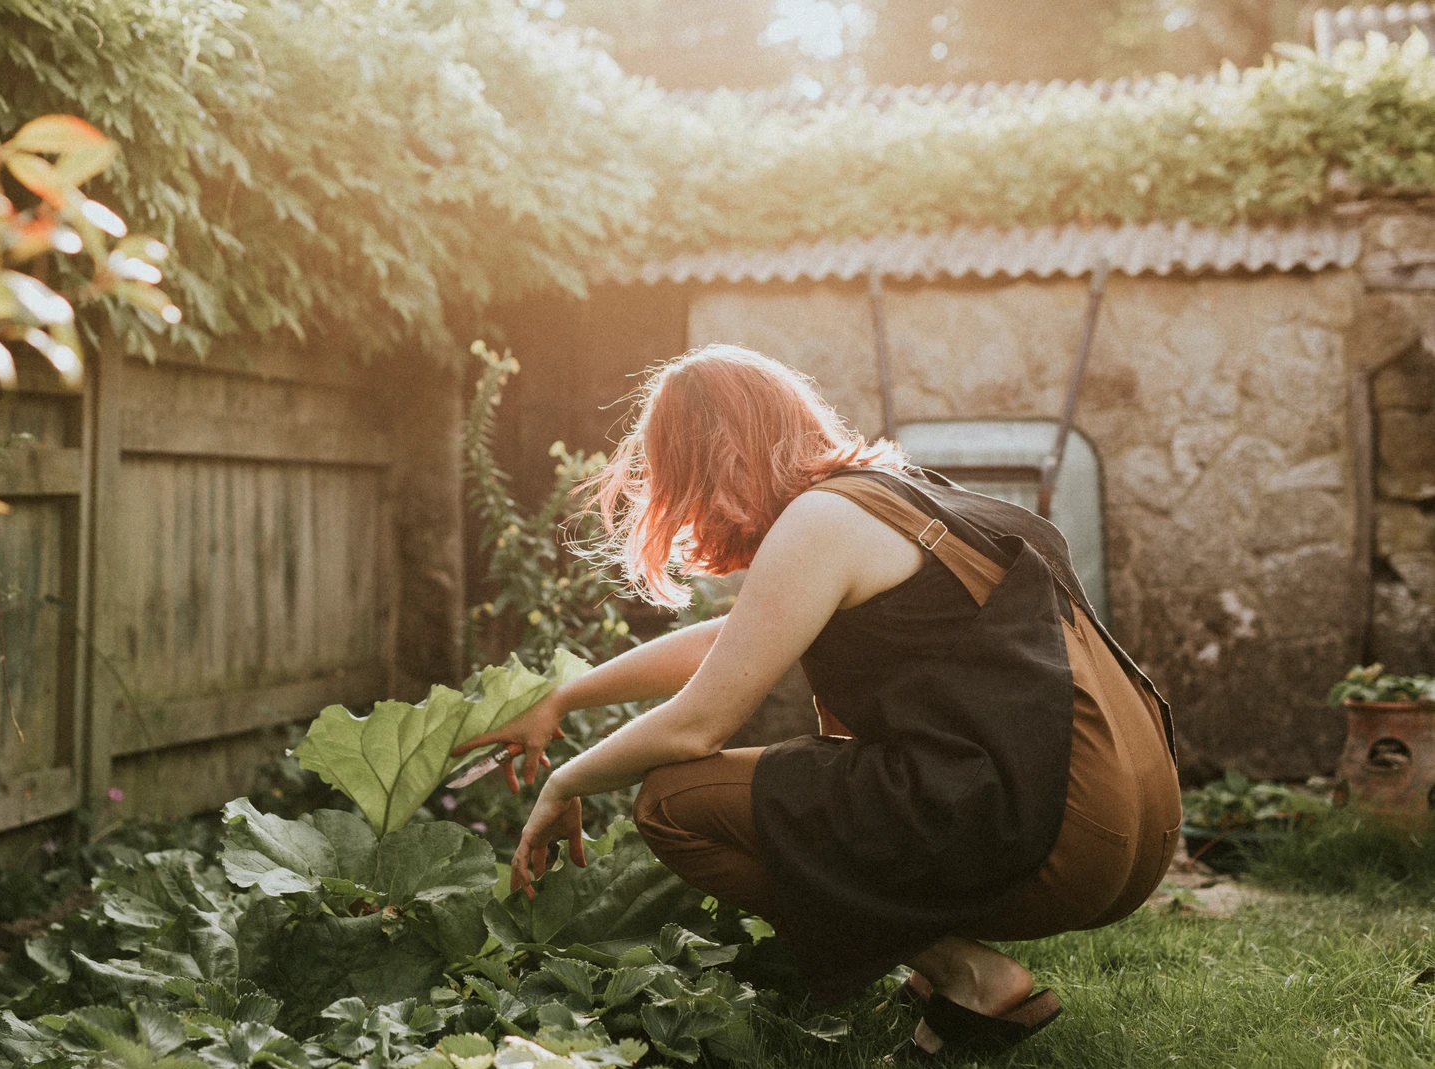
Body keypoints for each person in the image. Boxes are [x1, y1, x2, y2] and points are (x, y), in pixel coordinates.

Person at [452, 344, 1180, 1060]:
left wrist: (566, 778)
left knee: (673, 802)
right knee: (803, 780)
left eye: (678, 478)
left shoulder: (820, 522)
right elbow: (731, 639)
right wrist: (564, 697)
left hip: (1060, 836)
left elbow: (698, 723)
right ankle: (942, 971)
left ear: (720, 460)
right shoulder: (890, 497)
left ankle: (969, 976)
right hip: (1135, 829)